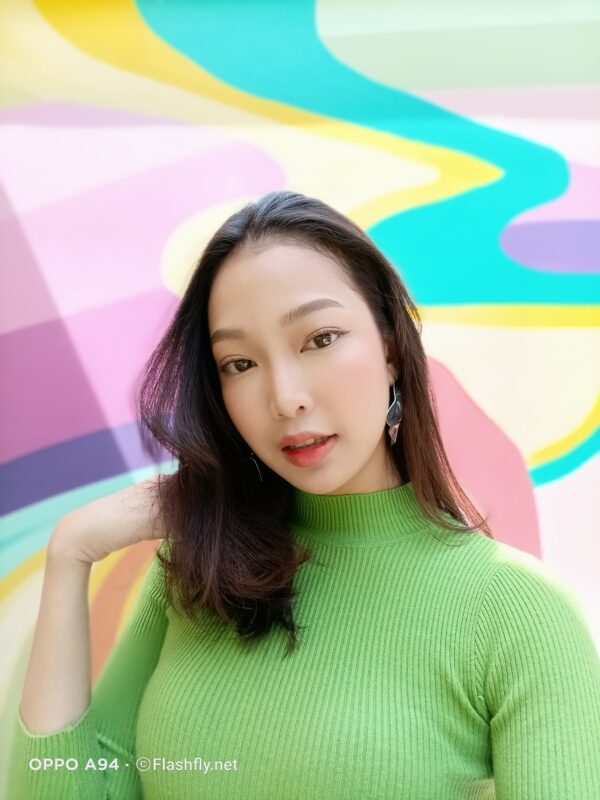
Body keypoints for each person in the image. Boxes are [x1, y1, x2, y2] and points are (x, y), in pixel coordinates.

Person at [8, 190, 600, 799]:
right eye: (239, 364)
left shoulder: (518, 613)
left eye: (320, 338)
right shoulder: (197, 571)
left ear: (391, 349)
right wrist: (71, 552)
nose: (286, 398)